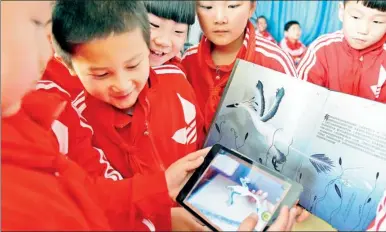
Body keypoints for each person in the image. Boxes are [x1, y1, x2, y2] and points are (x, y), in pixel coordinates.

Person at [1, 1, 208, 230]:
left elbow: (92, 190)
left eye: (133, 65)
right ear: (71, 66)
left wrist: (161, 201)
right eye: (37, 24)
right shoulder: (70, 110)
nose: (122, 85)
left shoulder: (175, 81)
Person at [182, 0, 297, 132]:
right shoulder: (188, 60)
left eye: (232, 6)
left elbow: (291, 129)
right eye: (207, 6)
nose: (220, 19)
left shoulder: (275, 62)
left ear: (251, 7)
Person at [297, 0, 386, 103]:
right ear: (341, 11)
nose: (363, 30)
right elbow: (299, 101)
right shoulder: (320, 51)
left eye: (377, 21)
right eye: (355, 17)